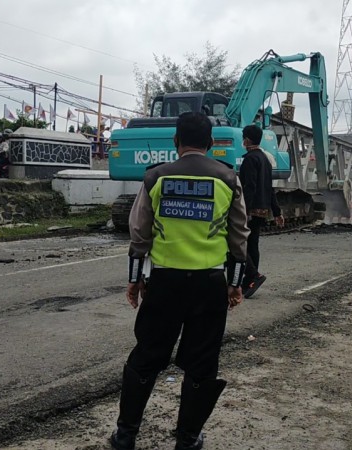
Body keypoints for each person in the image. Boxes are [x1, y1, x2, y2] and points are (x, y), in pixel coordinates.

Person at [110, 112, 250, 450]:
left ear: (176, 141)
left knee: (146, 356)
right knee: (202, 364)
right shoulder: (228, 179)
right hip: (209, 285)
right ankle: (187, 438)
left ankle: (126, 434)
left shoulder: (155, 177)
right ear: (212, 143)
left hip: (164, 284)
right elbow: (239, 236)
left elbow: (139, 232)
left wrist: (134, 281)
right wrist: (235, 284)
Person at [238, 125, 284, 298]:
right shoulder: (264, 159)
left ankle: (252, 276)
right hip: (262, 210)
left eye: (244, 137)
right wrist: (277, 212)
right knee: (253, 244)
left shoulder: (250, 159)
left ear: (247, 139)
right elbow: (269, 188)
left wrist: (244, 209)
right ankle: (251, 280)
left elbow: (249, 186)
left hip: (250, 210)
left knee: (240, 244)